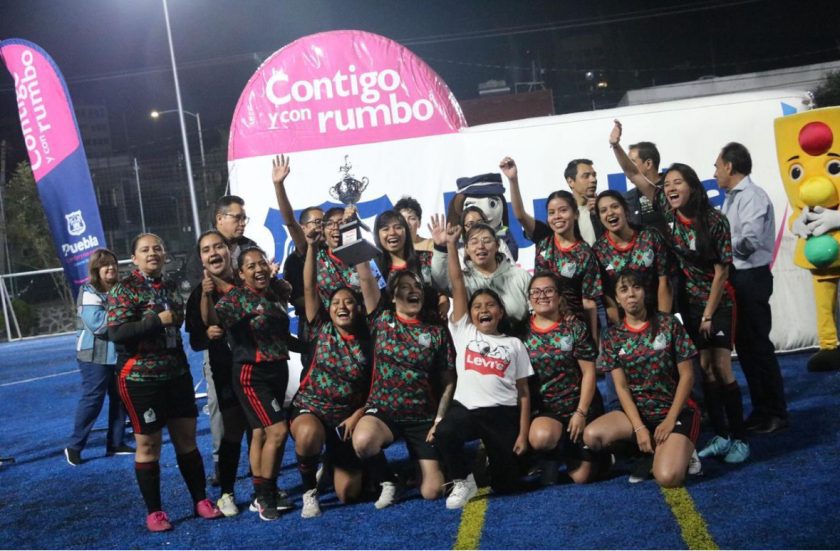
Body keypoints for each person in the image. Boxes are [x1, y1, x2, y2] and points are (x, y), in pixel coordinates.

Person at [107, 234, 223, 532]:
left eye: (157, 248)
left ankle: (200, 499)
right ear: (134, 258)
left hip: (176, 375)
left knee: (187, 441)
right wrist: (156, 322)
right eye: (145, 250)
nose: (152, 253)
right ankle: (155, 511)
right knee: (149, 446)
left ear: (165, 254)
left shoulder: (171, 286)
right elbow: (117, 333)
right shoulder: (124, 288)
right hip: (140, 379)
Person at [648, 163, 750, 464]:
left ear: (692, 187)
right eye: (667, 184)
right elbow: (635, 177)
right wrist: (616, 147)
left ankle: (741, 438)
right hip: (690, 304)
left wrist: (707, 315)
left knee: (721, 367)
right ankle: (721, 435)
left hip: (718, 303)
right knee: (704, 369)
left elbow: (722, 273)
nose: (670, 188)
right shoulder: (669, 215)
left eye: (677, 182)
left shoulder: (715, 221)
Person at [433, 222, 532, 509]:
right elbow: (458, 283)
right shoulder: (464, 331)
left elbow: (524, 393)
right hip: (467, 410)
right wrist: (451, 245)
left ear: (500, 312)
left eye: (490, 306)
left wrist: (523, 433)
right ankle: (463, 480)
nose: (483, 310)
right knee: (444, 432)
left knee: (508, 486)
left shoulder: (515, 344)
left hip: (502, 414)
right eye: (477, 307)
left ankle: (494, 466)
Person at [351, 268, 456, 509]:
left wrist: (439, 420)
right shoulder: (381, 320)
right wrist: (360, 255)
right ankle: (389, 480)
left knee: (433, 491)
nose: (413, 291)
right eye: (405, 287)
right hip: (383, 412)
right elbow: (366, 279)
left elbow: (450, 380)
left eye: (417, 287)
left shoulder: (436, 332)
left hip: (421, 417)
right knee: (364, 441)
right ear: (393, 296)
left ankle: (418, 464)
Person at [584, 270, 699, 488]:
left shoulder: (669, 324)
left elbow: (688, 376)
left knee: (668, 477)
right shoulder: (612, 336)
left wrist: (670, 420)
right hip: (638, 415)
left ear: (645, 292)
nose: (631, 294)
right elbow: (621, 387)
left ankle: (683, 450)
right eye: (624, 290)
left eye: (636, 288)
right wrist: (639, 428)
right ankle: (649, 449)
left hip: (674, 412)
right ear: (617, 298)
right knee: (591, 435)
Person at [289, 228, 374, 518]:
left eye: (348, 302)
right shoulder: (320, 327)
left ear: (358, 308)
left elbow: (377, 387)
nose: (341, 306)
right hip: (312, 409)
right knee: (308, 434)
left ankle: (337, 462)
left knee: (348, 494)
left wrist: (359, 414)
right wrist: (312, 248)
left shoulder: (370, 338)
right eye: (336, 302)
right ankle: (309, 491)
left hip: (346, 420)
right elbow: (309, 287)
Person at [214, 247, 295, 521]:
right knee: (278, 431)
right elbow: (212, 321)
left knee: (261, 432)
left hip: (278, 369)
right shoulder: (234, 299)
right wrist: (205, 301)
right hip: (252, 373)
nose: (259, 269)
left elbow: (283, 337)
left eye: (262, 263)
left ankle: (261, 492)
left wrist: (313, 346)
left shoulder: (275, 294)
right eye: (251, 266)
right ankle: (265, 495)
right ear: (240, 273)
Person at [184, 193, 258, 486]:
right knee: (221, 408)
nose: (242, 222)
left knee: (256, 410)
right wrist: (208, 331)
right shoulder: (198, 255)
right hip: (221, 350)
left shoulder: (250, 247)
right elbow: (200, 306)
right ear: (220, 218)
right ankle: (221, 466)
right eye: (237, 217)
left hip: (252, 349)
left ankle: (259, 467)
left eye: (244, 217)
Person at [715, 142, 788, 434]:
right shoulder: (732, 198)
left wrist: (720, 244)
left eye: (717, 166)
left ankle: (775, 412)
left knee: (758, 346)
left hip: (751, 278)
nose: (715, 172)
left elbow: (750, 241)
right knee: (746, 348)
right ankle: (761, 409)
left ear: (729, 166)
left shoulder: (753, 197)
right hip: (738, 278)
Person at [503, 156, 603, 342]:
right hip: (541, 327)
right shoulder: (544, 238)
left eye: (563, 210)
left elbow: (589, 303)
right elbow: (520, 215)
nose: (557, 216)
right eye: (551, 212)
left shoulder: (584, 252)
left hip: (574, 330)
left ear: (575, 214)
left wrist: (594, 341)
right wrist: (513, 180)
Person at [523, 272, 605, 486]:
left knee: (582, 478)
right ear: (529, 298)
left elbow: (589, 373)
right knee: (541, 438)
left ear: (560, 297)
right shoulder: (522, 330)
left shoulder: (575, 327)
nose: (542, 296)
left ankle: (592, 450)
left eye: (548, 291)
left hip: (579, 405)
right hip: (548, 410)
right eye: (536, 292)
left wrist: (581, 412)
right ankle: (554, 450)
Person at [64, 248, 133, 466]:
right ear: (96, 269)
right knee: (93, 399)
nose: (110, 268)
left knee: (120, 397)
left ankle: (116, 443)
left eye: (113, 263)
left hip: (117, 353)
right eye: (104, 265)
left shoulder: (122, 289)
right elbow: (98, 325)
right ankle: (74, 446)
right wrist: (127, 315)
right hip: (93, 355)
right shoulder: (88, 291)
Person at [429, 214, 532, 326]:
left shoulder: (520, 276)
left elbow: (536, 313)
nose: (481, 246)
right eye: (474, 242)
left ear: (497, 246)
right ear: (466, 249)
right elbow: (440, 281)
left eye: (487, 241)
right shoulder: (463, 280)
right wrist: (440, 248)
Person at [592, 190, 672, 325]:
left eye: (615, 206)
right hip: (625, 323)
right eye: (603, 210)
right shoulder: (598, 251)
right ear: (600, 218)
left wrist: (663, 324)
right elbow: (607, 297)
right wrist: (622, 331)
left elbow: (664, 282)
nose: (610, 213)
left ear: (626, 210)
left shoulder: (650, 236)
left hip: (657, 314)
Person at [609, 120, 667, 231]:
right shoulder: (627, 199)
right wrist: (615, 146)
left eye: (632, 162)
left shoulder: (669, 191)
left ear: (648, 164)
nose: (628, 165)